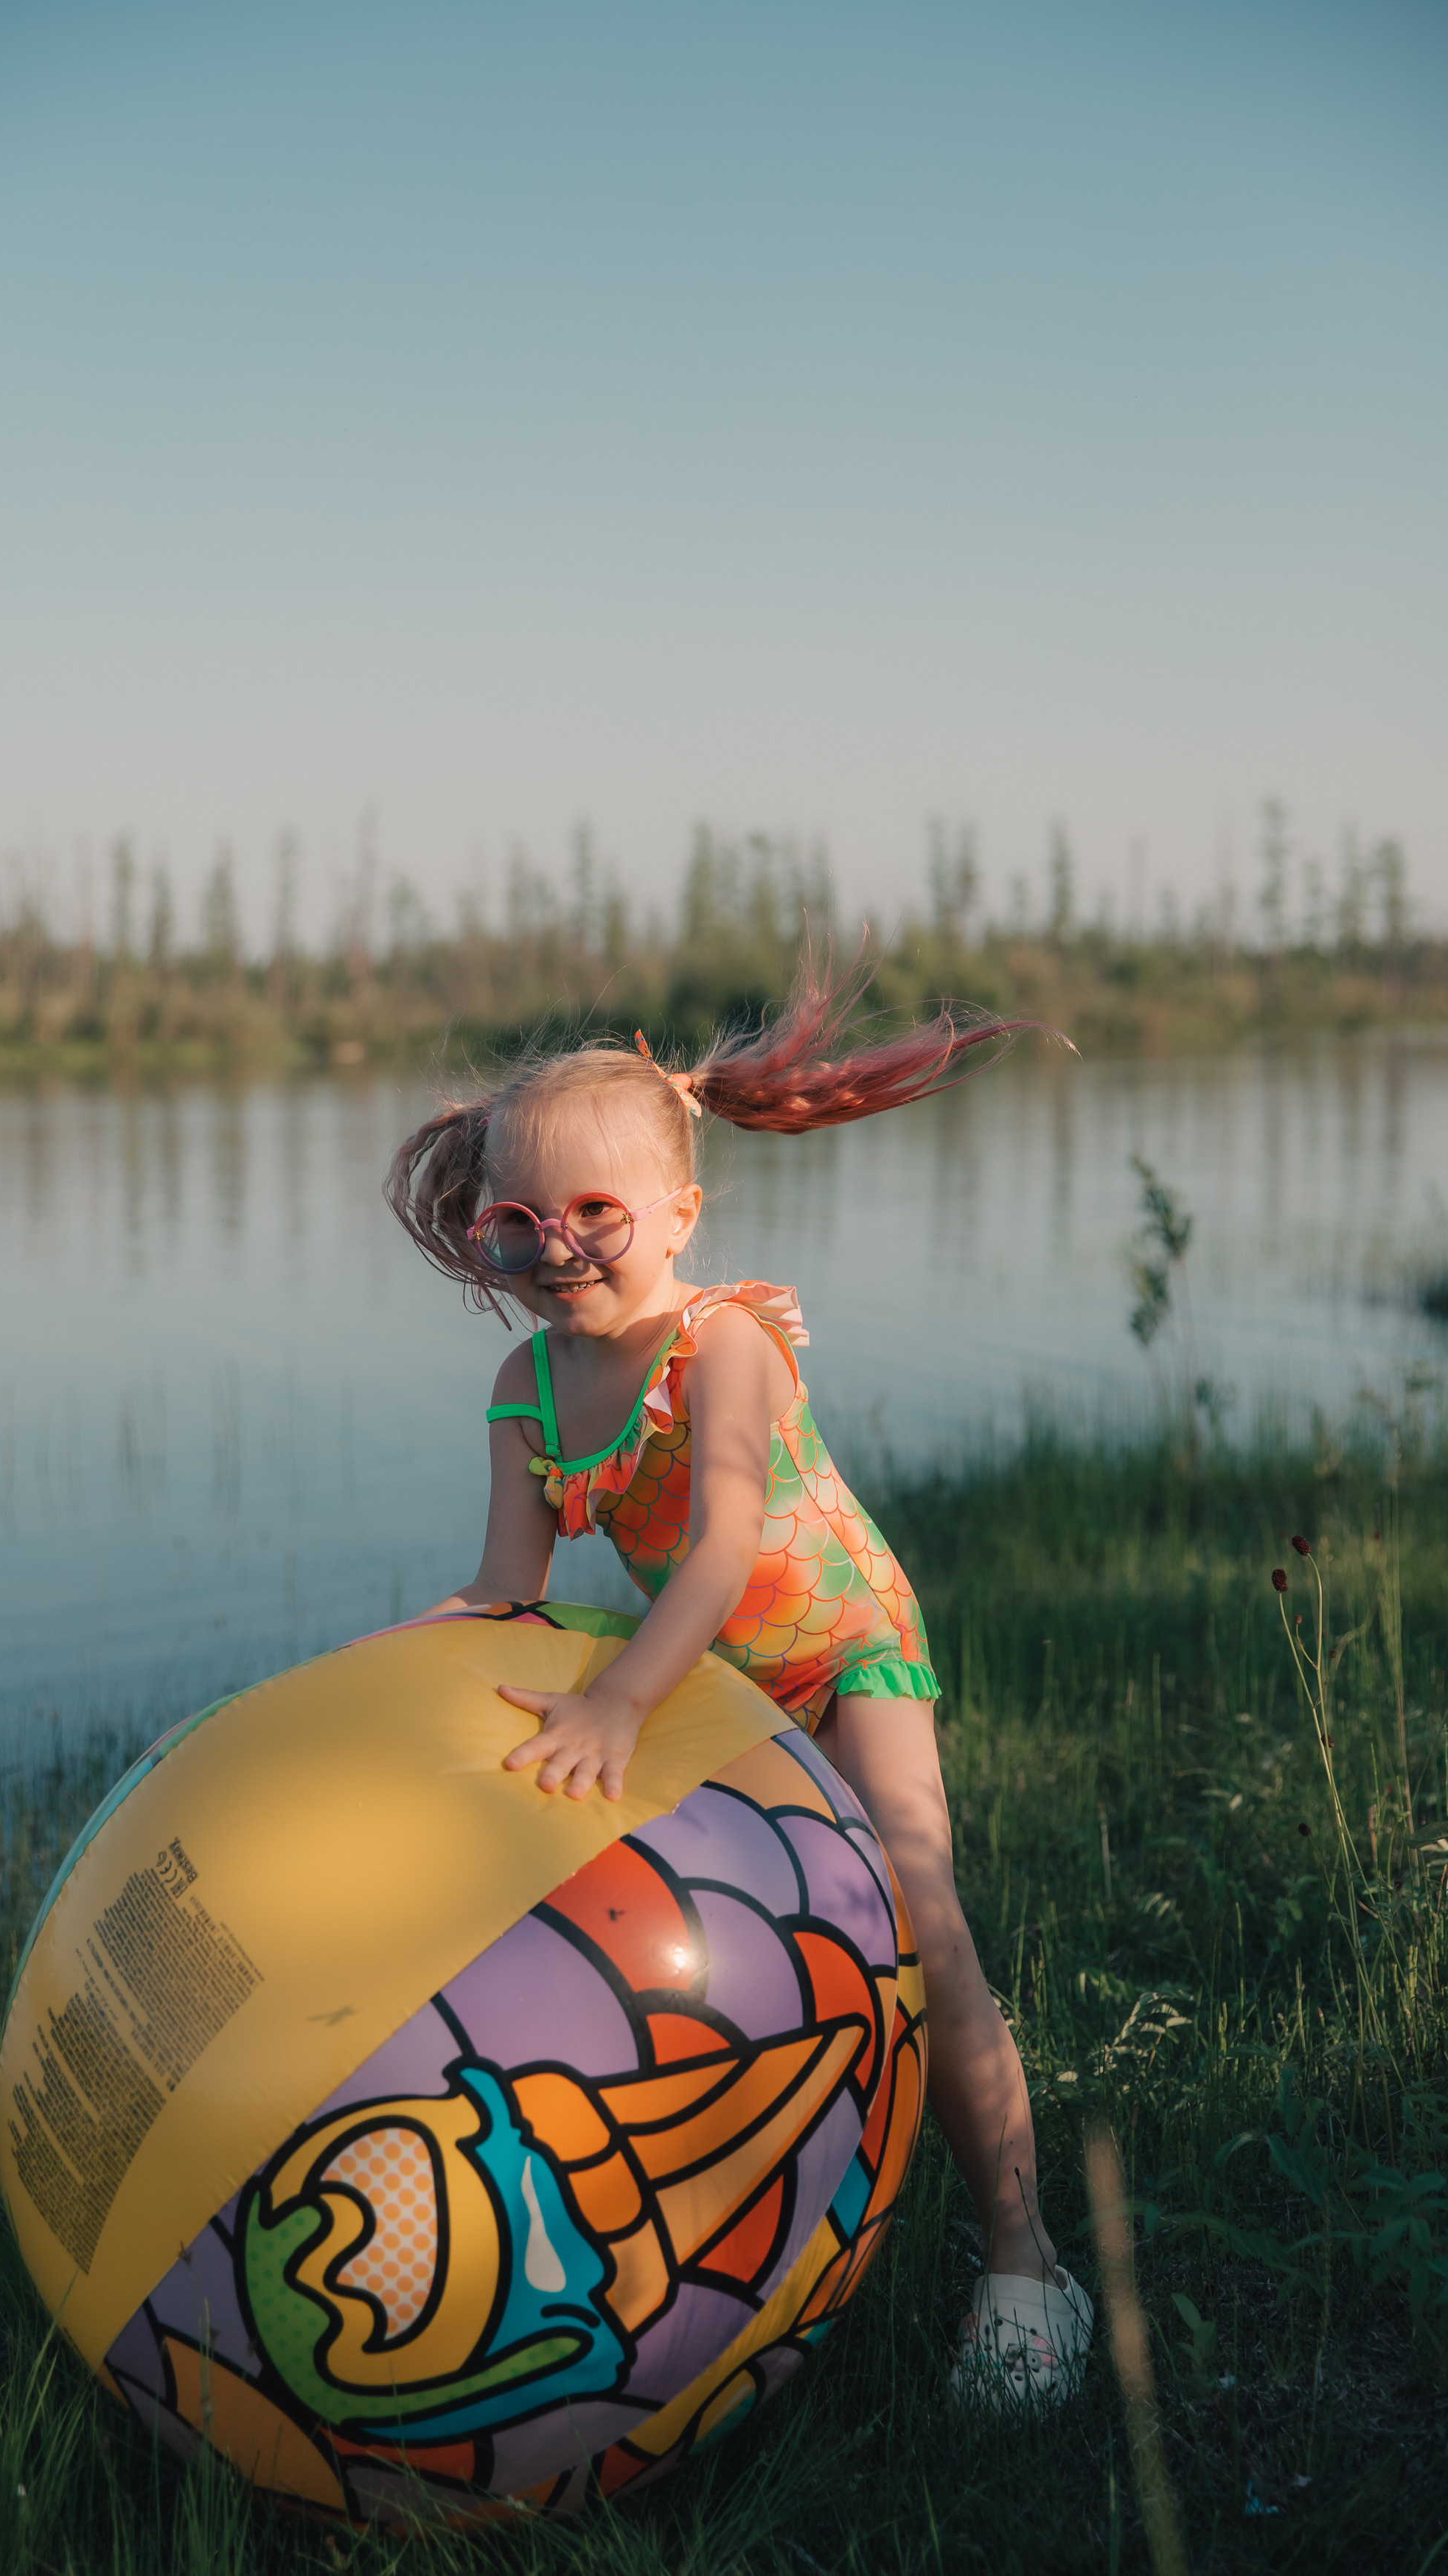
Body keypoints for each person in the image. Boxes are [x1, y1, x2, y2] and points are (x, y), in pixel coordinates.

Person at [385, 959, 1090, 2406]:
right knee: (736, 1938)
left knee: (918, 1910)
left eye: (599, 1211)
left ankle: (1027, 2258)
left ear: (681, 1216)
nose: (562, 1244)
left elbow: (715, 1555)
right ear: (486, 1232)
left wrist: (621, 1704)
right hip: (720, 1690)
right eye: (522, 1219)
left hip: (839, 1652)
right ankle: (736, 2225)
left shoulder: (728, 1346)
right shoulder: (524, 1395)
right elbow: (507, 1590)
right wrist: (401, 1654)